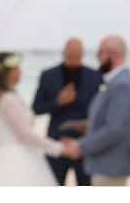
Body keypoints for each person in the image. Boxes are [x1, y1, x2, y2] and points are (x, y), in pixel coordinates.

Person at [0, 52, 76, 186]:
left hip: (3, 155)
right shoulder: (8, 99)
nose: (20, 72)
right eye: (16, 68)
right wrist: (58, 148)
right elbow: (24, 134)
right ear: (7, 73)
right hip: (14, 159)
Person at [68, 36, 130, 186]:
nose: (97, 57)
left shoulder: (123, 84)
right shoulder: (116, 81)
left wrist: (82, 146)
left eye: (100, 52)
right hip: (105, 164)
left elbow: (116, 128)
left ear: (113, 54)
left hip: (111, 165)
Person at [32, 38, 103, 186]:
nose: (73, 61)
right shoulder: (48, 75)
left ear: (83, 54)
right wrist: (57, 102)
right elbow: (36, 108)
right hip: (56, 143)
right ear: (63, 53)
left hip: (84, 144)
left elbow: (102, 110)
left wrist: (91, 125)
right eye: (70, 57)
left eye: (77, 57)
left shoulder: (95, 77)